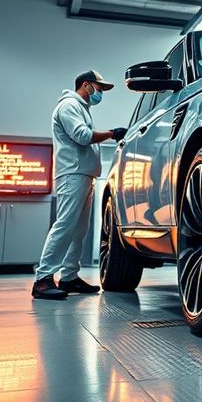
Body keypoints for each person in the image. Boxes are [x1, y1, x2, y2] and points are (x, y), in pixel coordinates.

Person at [31, 70, 127, 300]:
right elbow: (82, 136)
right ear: (86, 85)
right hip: (72, 174)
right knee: (65, 225)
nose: (100, 93)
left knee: (79, 230)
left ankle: (69, 277)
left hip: (84, 175)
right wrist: (112, 133)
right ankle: (43, 280)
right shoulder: (68, 106)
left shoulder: (82, 109)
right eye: (99, 88)